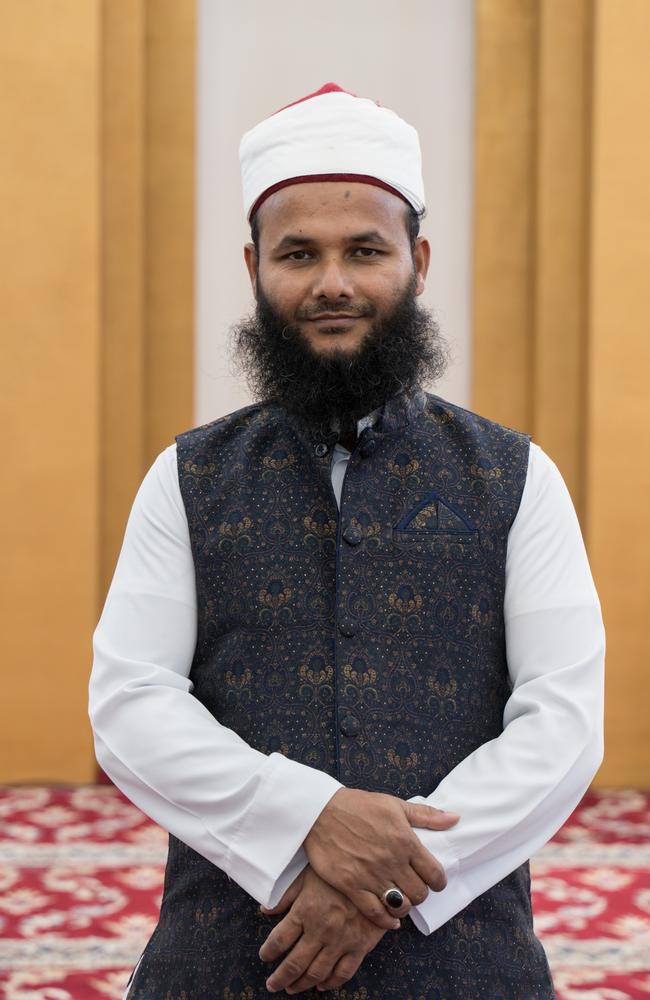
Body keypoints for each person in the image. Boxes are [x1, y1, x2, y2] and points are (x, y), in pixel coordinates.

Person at [88, 83, 605, 999]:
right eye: (299, 254)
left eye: (366, 250)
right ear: (253, 266)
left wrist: (384, 882)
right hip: (230, 952)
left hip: (462, 954)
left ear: (419, 261)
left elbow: (563, 723)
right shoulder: (187, 477)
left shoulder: (519, 476)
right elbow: (131, 702)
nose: (333, 282)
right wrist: (307, 819)